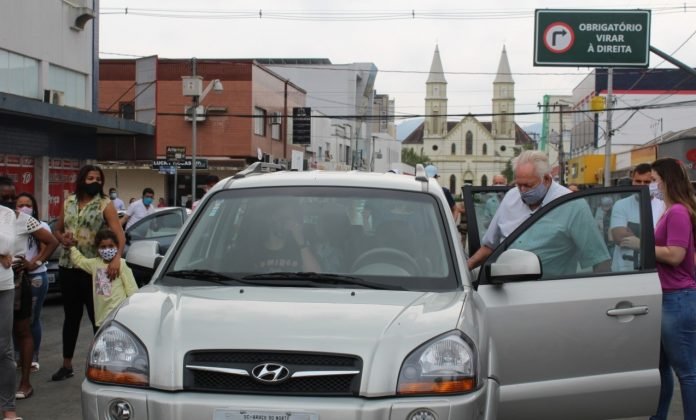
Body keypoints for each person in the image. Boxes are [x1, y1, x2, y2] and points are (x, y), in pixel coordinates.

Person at [51, 165, 125, 381]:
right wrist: (61, 238)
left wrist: (116, 259)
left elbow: (119, 234)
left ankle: (105, 364)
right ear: (82, 179)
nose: (94, 182)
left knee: (99, 317)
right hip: (68, 266)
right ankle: (67, 365)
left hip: (97, 269)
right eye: (90, 178)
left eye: (98, 179)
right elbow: (57, 228)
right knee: (71, 317)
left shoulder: (105, 204)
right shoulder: (69, 202)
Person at [467, 151, 572, 270]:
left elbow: (594, 257)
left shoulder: (570, 203)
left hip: (550, 285)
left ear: (546, 179)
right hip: (505, 282)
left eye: (528, 185)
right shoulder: (511, 197)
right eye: (519, 185)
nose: (522, 190)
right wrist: (467, 267)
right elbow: (489, 246)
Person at [649, 158, 696, 420]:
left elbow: (676, 254)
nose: (653, 186)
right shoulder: (671, 210)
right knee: (661, 370)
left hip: (677, 298)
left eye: (654, 180)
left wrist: (641, 245)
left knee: (687, 373)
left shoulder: (677, 211)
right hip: (668, 297)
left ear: (666, 181)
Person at [5, 191, 58, 400]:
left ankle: (25, 382)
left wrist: (34, 263)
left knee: (24, 328)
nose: (14, 205)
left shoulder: (25, 221)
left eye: (12, 199)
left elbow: (52, 241)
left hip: (20, 283)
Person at [69, 229, 137, 328]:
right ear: (97, 249)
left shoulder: (122, 264)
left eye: (110, 246)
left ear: (117, 247)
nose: (107, 249)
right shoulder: (94, 264)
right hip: (101, 318)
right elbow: (80, 261)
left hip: (119, 316)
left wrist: (133, 311)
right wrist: (71, 247)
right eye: (103, 247)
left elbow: (131, 289)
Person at [610, 163, 659, 272]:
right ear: (632, 181)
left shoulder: (663, 205)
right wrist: (652, 240)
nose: (641, 185)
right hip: (624, 268)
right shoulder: (621, 205)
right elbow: (620, 238)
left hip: (654, 270)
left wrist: (638, 242)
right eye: (638, 181)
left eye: (646, 182)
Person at [0, 190, 20, 420]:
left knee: (3, 349)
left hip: (3, 286)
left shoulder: (6, 214)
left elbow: (7, 244)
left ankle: (9, 410)